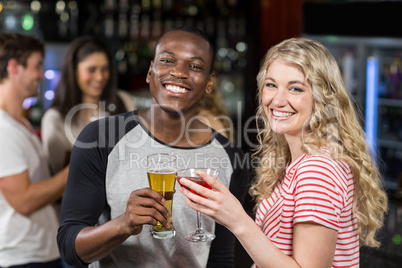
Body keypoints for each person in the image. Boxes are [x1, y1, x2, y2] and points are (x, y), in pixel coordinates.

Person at [178, 37, 388, 268]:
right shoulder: (296, 161)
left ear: (323, 97)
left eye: (295, 88)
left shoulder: (318, 171)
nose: (277, 100)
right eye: (271, 85)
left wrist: (236, 219)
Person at [57, 26, 249, 267]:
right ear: (150, 71)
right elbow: (69, 247)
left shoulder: (231, 158)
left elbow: (220, 258)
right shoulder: (100, 138)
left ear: (209, 83)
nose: (179, 72)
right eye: (167, 60)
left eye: (195, 66)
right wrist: (123, 224)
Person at [0, 32, 68, 267]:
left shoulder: (21, 123)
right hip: (22, 256)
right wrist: (75, 168)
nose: (41, 74)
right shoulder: (3, 128)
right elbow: (24, 200)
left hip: (40, 251)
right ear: (13, 67)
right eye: (37, 66)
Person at [41, 35, 135, 176]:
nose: (99, 77)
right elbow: (57, 178)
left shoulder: (124, 100)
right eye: (91, 70)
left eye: (104, 69)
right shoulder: (55, 119)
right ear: (73, 71)